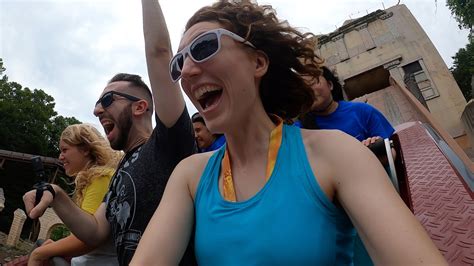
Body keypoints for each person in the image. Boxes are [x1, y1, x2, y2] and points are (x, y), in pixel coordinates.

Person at [131, 1, 446, 265]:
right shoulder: (190, 176)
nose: (185, 71)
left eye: (203, 47)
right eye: (179, 62)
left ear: (258, 62)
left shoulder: (335, 152)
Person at [23, 0, 197, 265]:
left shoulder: (168, 143)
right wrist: (56, 194)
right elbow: (94, 231)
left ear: (141, 107)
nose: (96, 111)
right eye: (96, 104)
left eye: (107, 101)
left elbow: (160, 53)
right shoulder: (120, 173)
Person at [29, 124, 121, 266]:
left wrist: (40, 254)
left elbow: (87, 240)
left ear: (84, 149)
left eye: (65, 150)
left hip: (93, 262)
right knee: (43, 245)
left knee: (37, 253)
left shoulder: (101, 178)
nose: (60, 157)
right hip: (86, 259)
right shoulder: (92, 178)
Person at [298, 66, 395, 146]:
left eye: (312, 82)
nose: (308, 91)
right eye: (302, 88)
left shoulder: (362, 111)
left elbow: (392, 151)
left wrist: (373, 147)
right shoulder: (298, 131)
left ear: (330, 84)